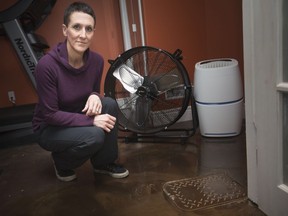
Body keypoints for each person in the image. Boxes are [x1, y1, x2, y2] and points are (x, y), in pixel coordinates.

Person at [32, 1, 129, 182]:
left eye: (89, 29)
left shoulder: (96, 61)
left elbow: (92, 89)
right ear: (65, 30)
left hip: (76, 114)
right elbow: (50, 114)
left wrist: (94, 95)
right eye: (77, 27)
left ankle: (103, 163)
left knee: (109, 104)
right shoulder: (46, 66)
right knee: (95, 135)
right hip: (49, 127)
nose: (83, 35)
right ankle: (61, 162)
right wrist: (92, 120)